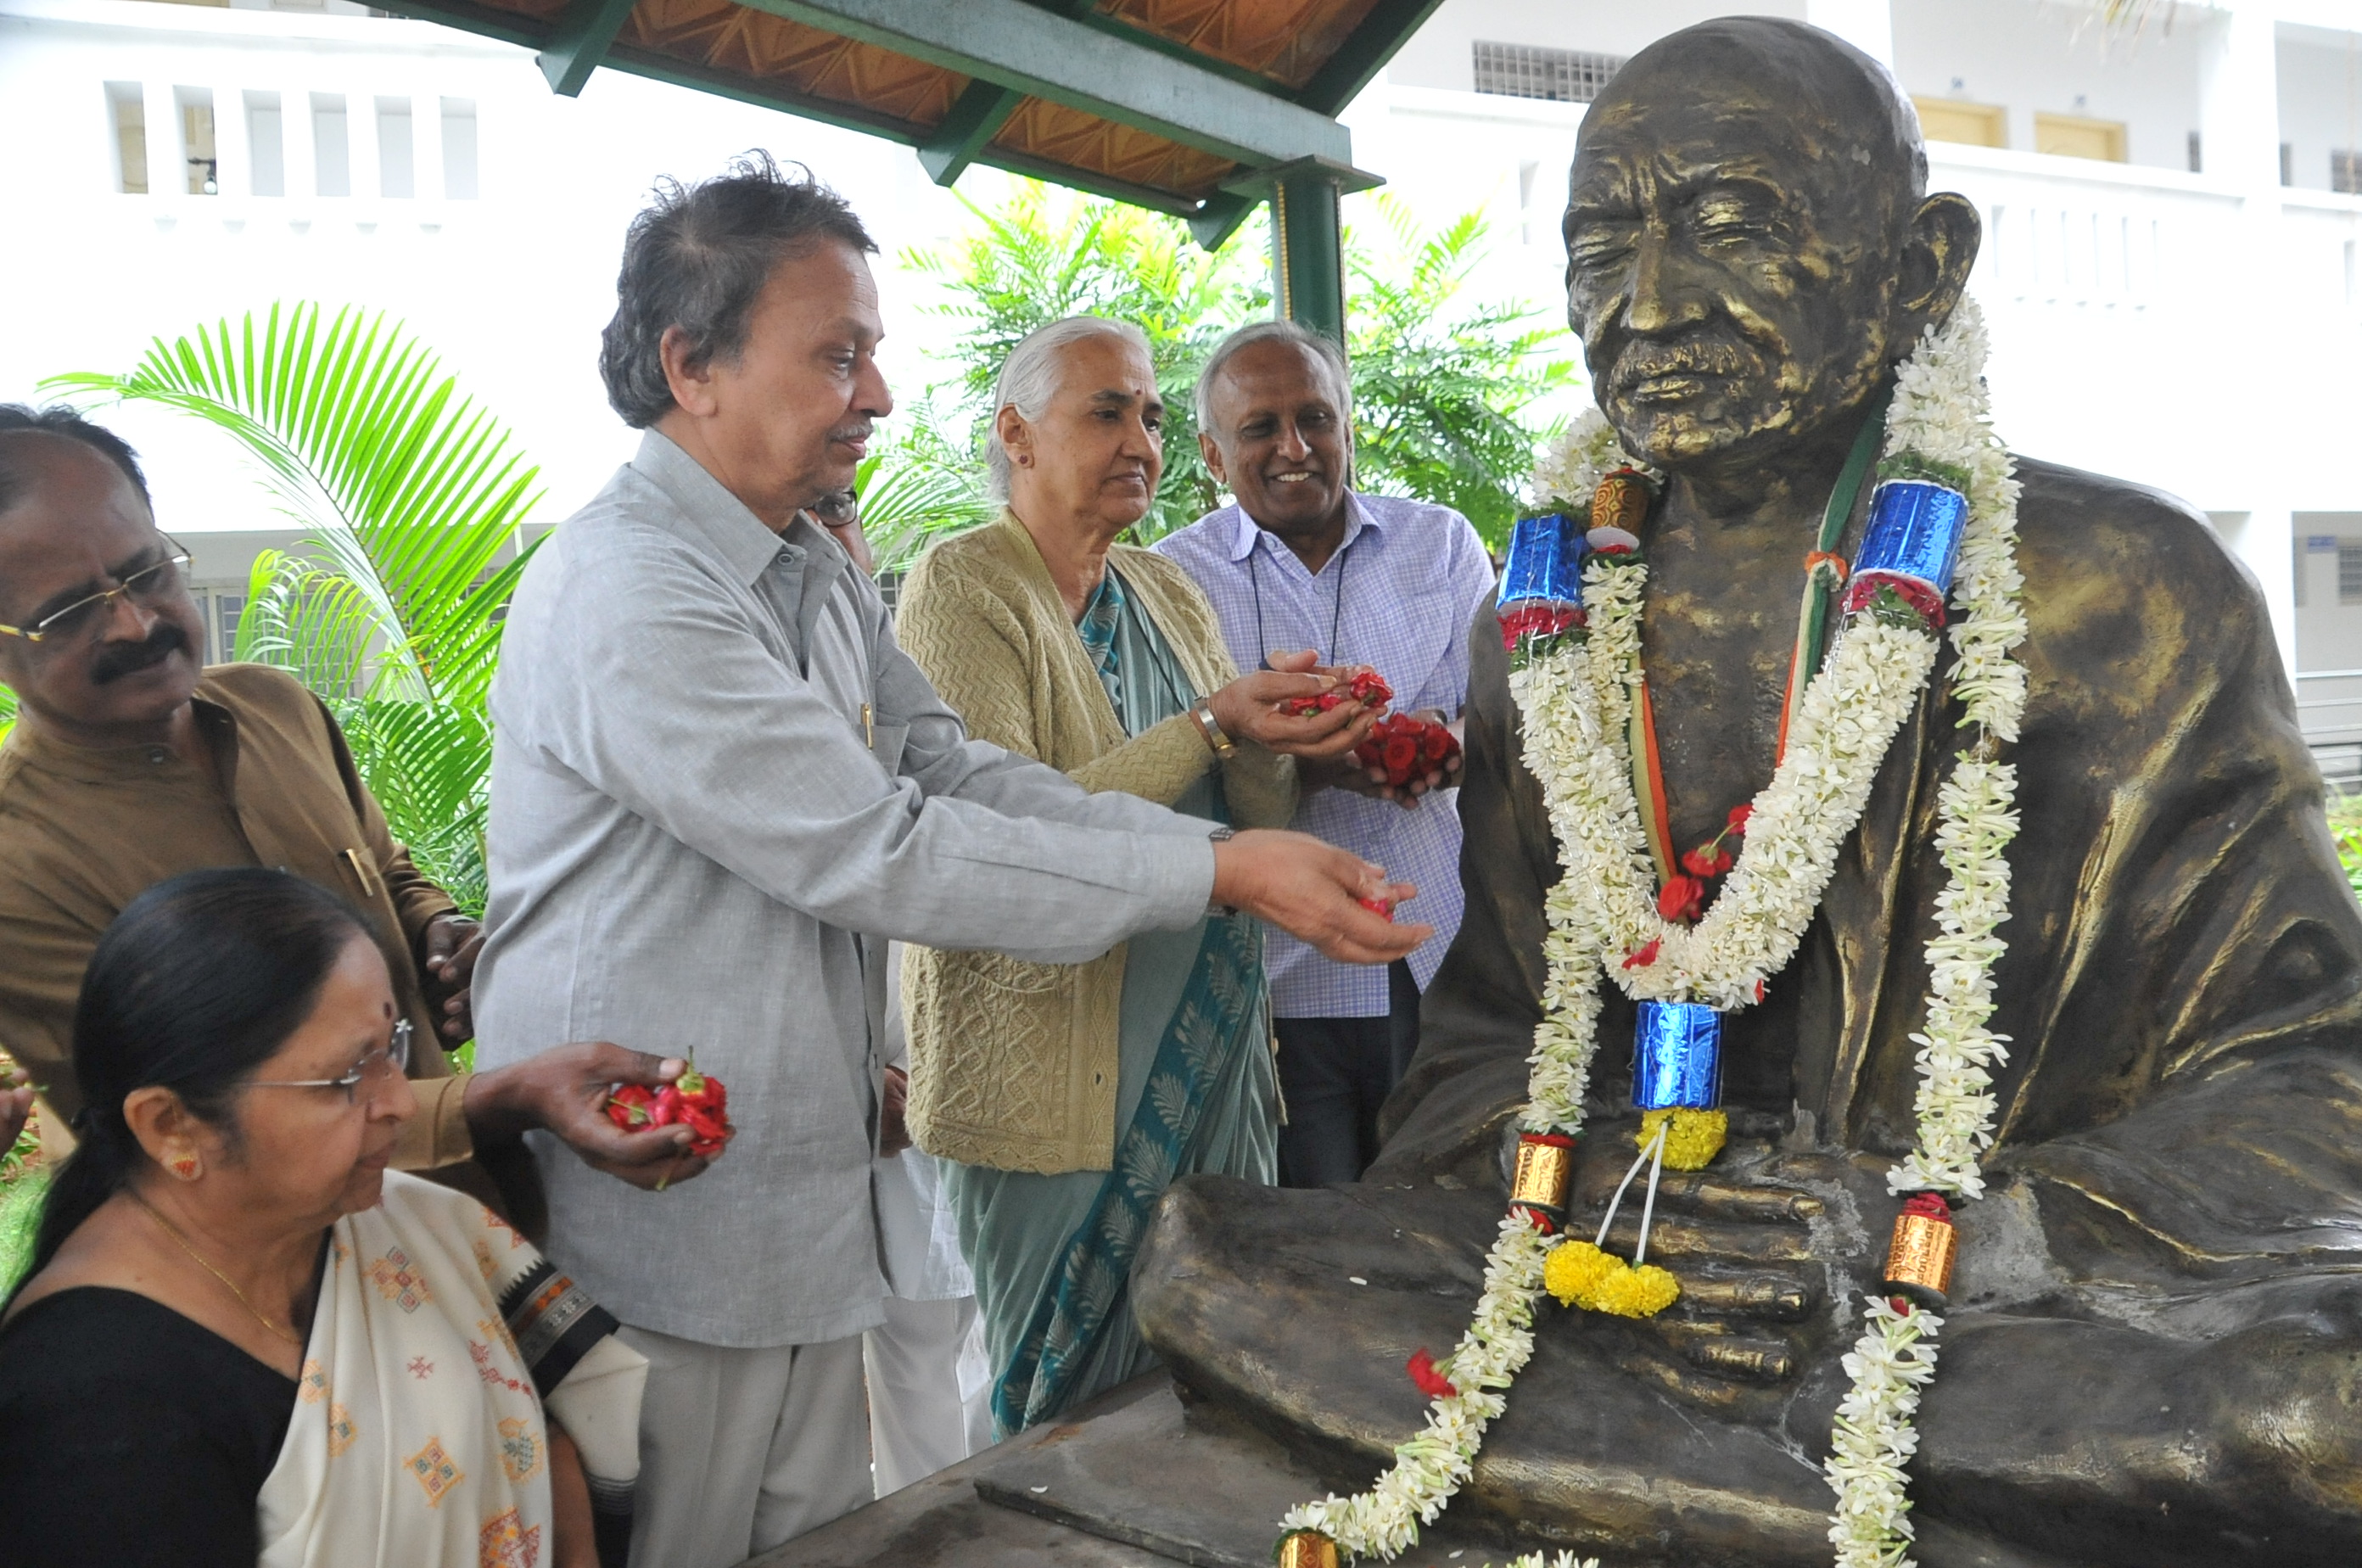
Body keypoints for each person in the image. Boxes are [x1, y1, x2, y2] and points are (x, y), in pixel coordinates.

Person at [1133, 20, 2362, 1563]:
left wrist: (1926, 1235)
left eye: (1725, 227)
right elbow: (1474, 1062)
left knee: (2320, 1416)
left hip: (1970, 1303)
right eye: (1598, 243)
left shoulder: (2113, 594)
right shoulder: (1549, 625)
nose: (1642, 304)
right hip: (1617, 1271)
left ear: (1917, 267)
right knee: (1196, 1258)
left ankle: (1666, 1462)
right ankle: (1776, 1472)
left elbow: (2314, 1087)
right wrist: (1609, 1199)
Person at [469, 155, 1424, 1568]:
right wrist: (1217, 873)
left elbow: (960, 774)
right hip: (667, 1207)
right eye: (837, 354)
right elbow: (874, 847)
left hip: (798, 1192)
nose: (875, 395)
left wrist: (1232, 841)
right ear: (692, 365)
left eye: (874, 353)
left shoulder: (798, 567)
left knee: (811, 1532)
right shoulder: (633, 586)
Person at [0, 406, 708, 1207]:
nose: (135, 622)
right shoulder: (17, 863)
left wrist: (439, 936)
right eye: (68, 613)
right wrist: (502, 1098)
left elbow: (383, 871)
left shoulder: (277, 708)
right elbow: (189, 1126)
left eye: (147, 572)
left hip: (472, 1224)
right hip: (277, 1296)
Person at [894, 316, 1377, 1434]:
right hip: (1048, 1078)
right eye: (1106, 411)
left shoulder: (1167, 590)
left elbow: (1242, 802)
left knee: (1213, 1389)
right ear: (1017, 433)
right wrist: (1215, 721)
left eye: (1153, 416)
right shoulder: (964, 588)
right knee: (1060, 1417)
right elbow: (996, 830)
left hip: (1211, 1049)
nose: (1142, 440)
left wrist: (1281, 730)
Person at [0, 868, 647, 1568]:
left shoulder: (405, 1227)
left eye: (390, 1047)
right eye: (348, 1077)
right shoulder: (92, 1412)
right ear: (170, 1126)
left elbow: (542, 1436)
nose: (400, 1100)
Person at [1155, 321, 1496, 1185]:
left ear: (1348, 425)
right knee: (1313, 1249)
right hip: (1276, 980)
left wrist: (1438, 748)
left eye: (1316, 418)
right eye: (1260, 428)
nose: (1294, 447)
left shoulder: (1440, 542)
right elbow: (1166, 772)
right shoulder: (1170, 579)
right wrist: (1292, 764)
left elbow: (1509, 713)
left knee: (1455, 1225)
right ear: (1210, 452)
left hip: (1440, 956)